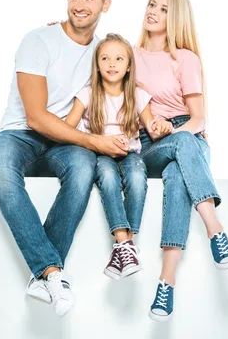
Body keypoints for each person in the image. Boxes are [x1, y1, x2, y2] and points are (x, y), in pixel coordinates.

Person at [0, 0, 129, 317]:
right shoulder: (38, 40)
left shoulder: (102, 51)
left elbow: (137, 68)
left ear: (105, 4)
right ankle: (52, 271)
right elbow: (34, 117)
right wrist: (95, 140)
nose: (79, 6)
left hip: (64, 141)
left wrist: (183, 121)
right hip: (21, 133)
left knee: (82, 167)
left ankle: (43, 277)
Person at [133, 0, 228, 322]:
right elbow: (97, 62)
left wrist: (176, 131)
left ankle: (166, 282)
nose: (153, 12)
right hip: (148, 141)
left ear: (175, 17)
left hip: (185, 132)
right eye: (152, 5)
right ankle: (216, 230)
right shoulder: (129, 54)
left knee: (178, 174)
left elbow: (198, 118)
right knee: (183, 148)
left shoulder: (184, 58)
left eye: (163, 9)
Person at [64, 33, 173, 280]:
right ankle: (124, 243)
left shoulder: (137, 94)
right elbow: (67, 127)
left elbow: (151, 128)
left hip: (130, 153)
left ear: (128, 66)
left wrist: (162, 125)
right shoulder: (88, 93)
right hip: (101, 154)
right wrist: (92, 141)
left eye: (118, 59)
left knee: (136, 177)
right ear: (97, 64)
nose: (112, 64)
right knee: (108, 179)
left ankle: (125, 248)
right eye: (105, 58)